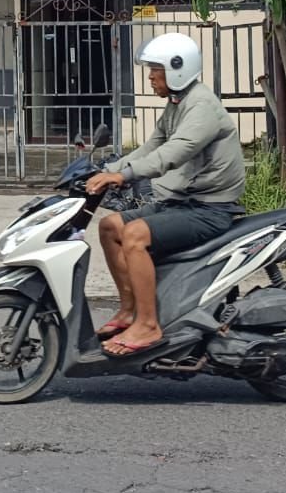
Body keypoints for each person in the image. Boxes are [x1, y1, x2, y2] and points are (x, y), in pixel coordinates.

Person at [85, 32, 246, 357]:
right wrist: (105, 170)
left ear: (176, 69)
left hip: (209, 210)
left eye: (154, 70)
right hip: (182, 203)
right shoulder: (176, 104)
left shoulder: (201, 107)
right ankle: (130, 311)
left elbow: (173, 153)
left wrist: (123, 175)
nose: (150, 77)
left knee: (134, 236)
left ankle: (148, 325)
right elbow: (152, 146)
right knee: (110, 226)